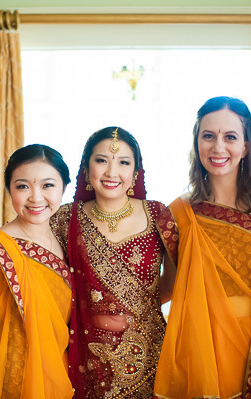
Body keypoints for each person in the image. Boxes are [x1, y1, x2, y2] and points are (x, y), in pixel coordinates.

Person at [154, 96, 251, 399]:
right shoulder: (179, 214)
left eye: (230, 137)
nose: (218, 148)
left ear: (245, 146)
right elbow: (171, 285)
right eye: (208, 136)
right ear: (197, 143)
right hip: (203, 350)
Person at [51, 127, 167, 398]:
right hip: (87, 359)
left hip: (151, 355)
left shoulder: (158, 215)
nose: (112, 172)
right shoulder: (65, 219)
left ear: (135, 172)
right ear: (86, 166)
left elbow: (177, 281)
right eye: (102, 160)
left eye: (123, 163)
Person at [0, 144, 73, 399]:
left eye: (47, 186)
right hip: (7, 385)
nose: (35, 198)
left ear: (64, 188)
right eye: (22, 186)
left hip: (58, 381)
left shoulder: (69, 243)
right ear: (9, 190)